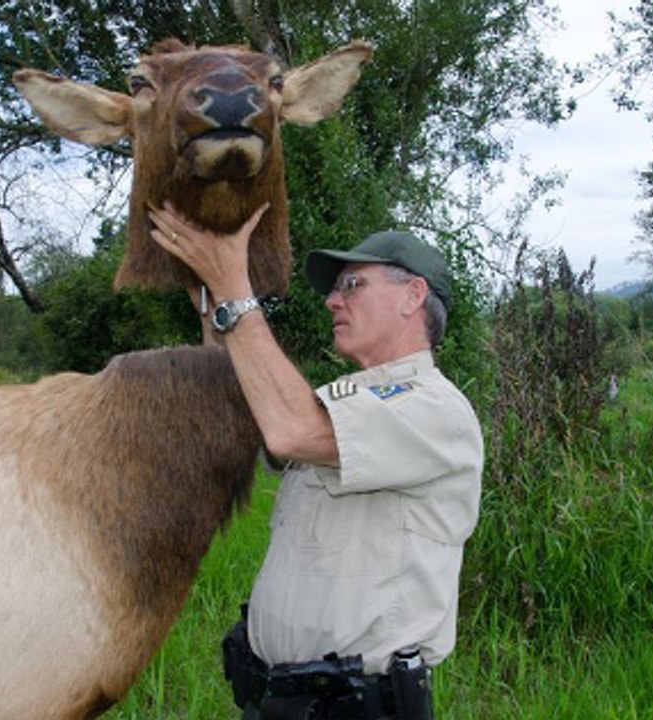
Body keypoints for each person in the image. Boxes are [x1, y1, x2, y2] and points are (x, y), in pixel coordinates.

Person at [149, 202, 483, 720]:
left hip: (355, 708)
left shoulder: (436, 410)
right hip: (278, 701)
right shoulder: (347, 399)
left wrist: (237, 289)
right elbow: (245, 413)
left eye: (353, 285)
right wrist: (212, 300)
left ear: (413, 296)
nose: (331, 300)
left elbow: (290, 429)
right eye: (336, 288)